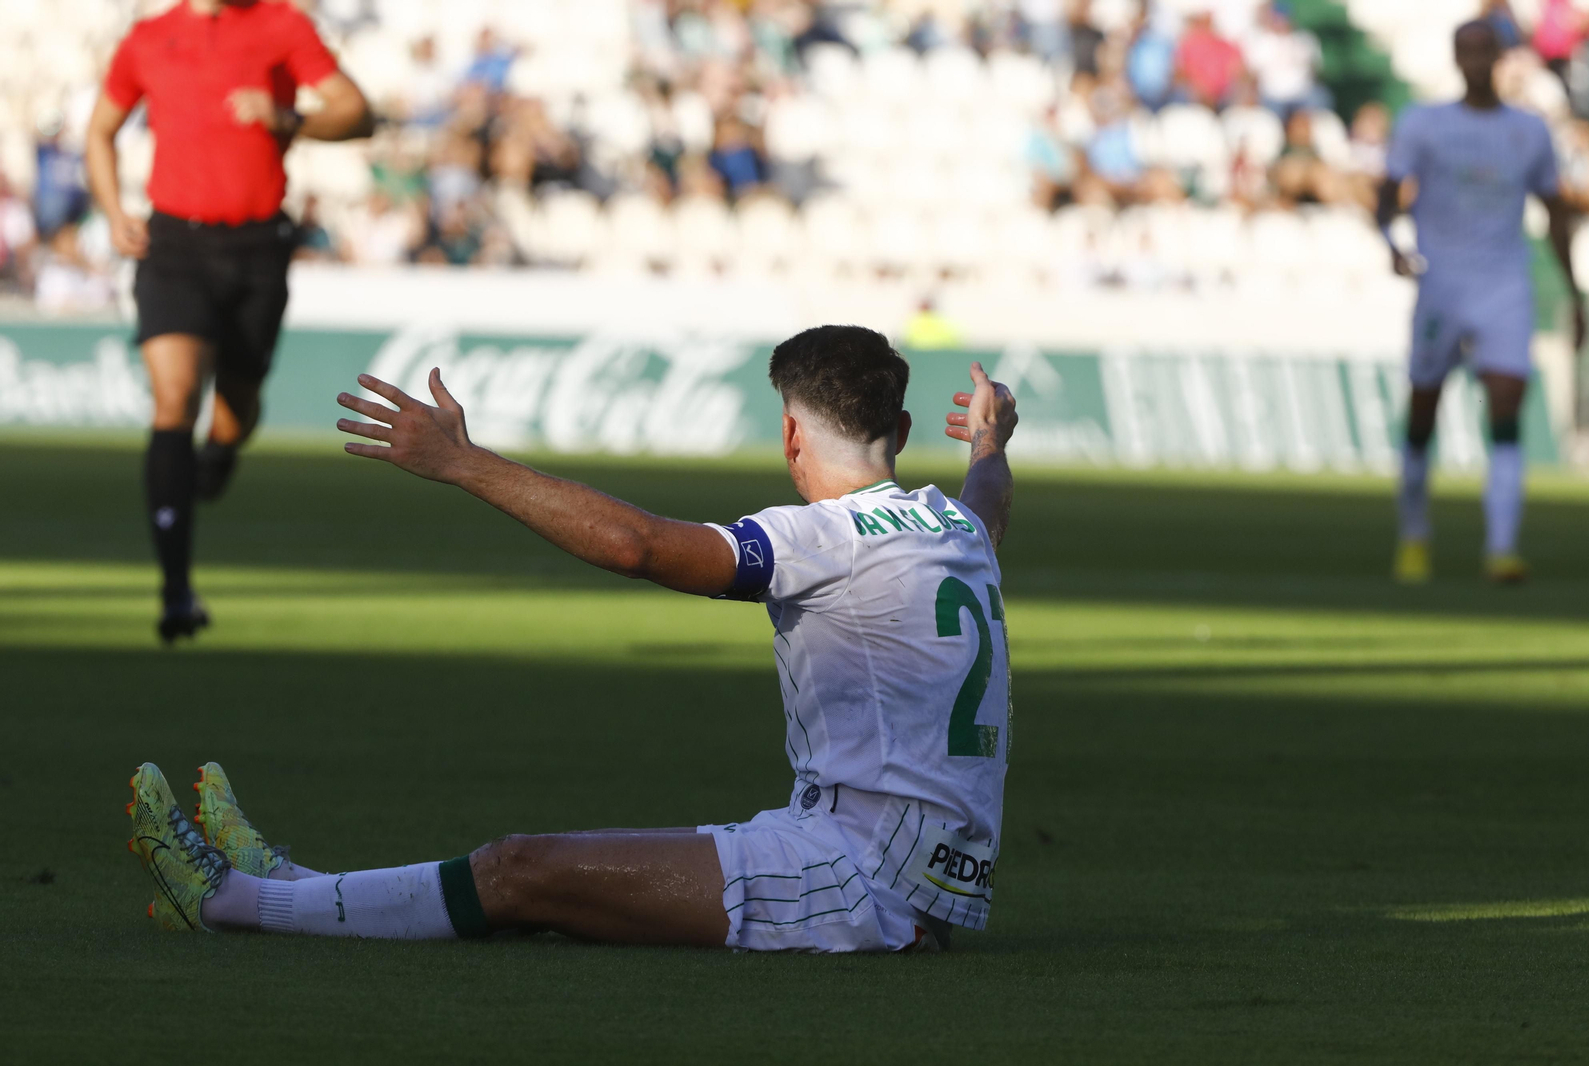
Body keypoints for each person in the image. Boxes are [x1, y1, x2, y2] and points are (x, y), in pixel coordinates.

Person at [126, 326, 1019, 954]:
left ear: (790, 431)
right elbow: (988, 502)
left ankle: (232, 903)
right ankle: (290, 888)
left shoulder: (821, 537)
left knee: (521, 872)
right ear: (899, 434)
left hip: (858, 883)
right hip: (908, 871)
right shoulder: (951, 525)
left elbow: (639, 546)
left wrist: (461, 463)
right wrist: (988, 442)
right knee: (526, 873)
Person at [85, 0, 374, 643]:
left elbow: (358, 113)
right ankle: (175, 590)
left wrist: (287, 117)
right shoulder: (148, 39)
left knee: (235, 409)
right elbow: (99, 130)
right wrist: (112, 209)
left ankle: (219, 455)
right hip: (173, 249)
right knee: (174, 396)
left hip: (255, 251)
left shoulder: (281, 25)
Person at [1377, 20, 1585, 585]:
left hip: (1503, 283)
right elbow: (1386, 192)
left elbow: (1555, 209)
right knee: (1422, 410)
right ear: (1454, 57)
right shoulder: (1424, 124)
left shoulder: (1529, 131)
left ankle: (1501, 548)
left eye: (1481, 51)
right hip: (1441, 281)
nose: (1473, 61)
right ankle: (1414, 536)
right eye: (1464, 52)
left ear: (1497, 56)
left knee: (1506, 406)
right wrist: (1392, 245)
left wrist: (1572, 290)